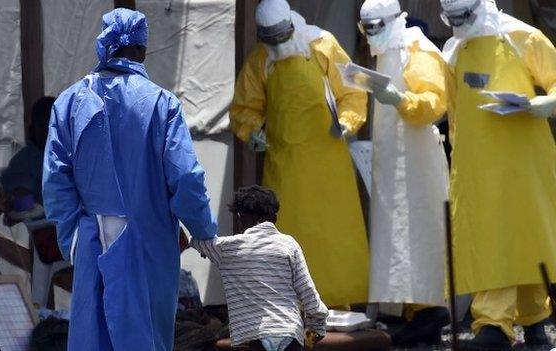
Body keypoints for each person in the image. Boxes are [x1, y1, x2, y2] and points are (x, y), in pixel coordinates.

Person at [42, 8, 217, 351]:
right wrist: (203, 229)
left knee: (94, 338)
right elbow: (186, 176)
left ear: (103, 46)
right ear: (141, 49)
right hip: (148, 243)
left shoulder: (68, 103)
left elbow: (55, 178)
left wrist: (73, 237)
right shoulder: (162, 104)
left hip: (91, 239)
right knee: (145, 337)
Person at [230, 0, 369, 308]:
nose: (278, 44)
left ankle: (338, 300)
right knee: (288, 235)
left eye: (282, 37)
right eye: (272, 40)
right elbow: (244, 107)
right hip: (285, 165)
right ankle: (289, 303)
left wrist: (347, 122)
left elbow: (352, 91)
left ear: (291, 27)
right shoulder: (261, 59)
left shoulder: (323, 44)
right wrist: (253, 132)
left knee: (334, 234)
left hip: (328, 162)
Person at [439, 0, 556, 349]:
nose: (459, 24)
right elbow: (454, 109)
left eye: (463, 17)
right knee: (497, 237)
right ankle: (521, 320)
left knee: (524, 234)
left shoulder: (523, 36)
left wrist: (546, 104)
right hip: (477, 164)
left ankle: (498, 324)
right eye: (453, 19)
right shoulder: (455, 49)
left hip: (523, 159)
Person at [357, 0, 451, 347]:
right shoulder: (387, 49)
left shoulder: (417, 48)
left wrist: (399, 99)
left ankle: (429, 309)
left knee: (418, 231)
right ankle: (417, 313)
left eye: (377, 27)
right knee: (397, 234)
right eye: (366, 28)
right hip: (394, 158)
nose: (371, 35)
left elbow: (434, 102)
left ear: (395, 20)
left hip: (416, 157)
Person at [190, 185, 328, 351]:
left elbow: (198, 240)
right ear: (273, 218)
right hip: (290, 332)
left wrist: (199, 244)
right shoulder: (289, 245)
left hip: (257, 336)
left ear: (242, 215)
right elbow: (307, 292)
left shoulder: (229, 248)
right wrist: (316, 327)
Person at [0, 96, 56, 206]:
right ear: (32, 128)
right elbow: (23, 202)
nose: (50, 131)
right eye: (44, 124)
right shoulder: (26, 160)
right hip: (41, 222)